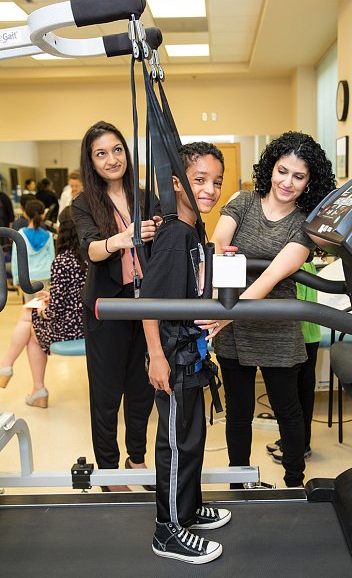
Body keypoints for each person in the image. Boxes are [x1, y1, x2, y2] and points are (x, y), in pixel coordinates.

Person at [196, 131, 336, 489]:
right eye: (282, 170)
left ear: (309, 182)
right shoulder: (242, 203)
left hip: (274, 324)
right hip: (234, 327)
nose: (287, 182)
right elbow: (219, 244)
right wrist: (218, 300)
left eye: (298, 176)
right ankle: (239, 481)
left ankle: (293, 482)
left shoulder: (304, 223)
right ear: (270, 168)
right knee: (238, 412)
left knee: (287, 410)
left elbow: (274, 274)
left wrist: (229, 313)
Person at [141, 142, 230, 564]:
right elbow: (150, 303)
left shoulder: (194, 231)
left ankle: (189, 509)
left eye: (216, 182)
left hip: (191, 355)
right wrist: (156, 357)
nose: (210, 190)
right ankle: (168, 529)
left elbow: (191, 286)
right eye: (199, 180)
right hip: (172, 360)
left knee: (192, 441)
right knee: (176, 445)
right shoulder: (176, 233)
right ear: (177, 182)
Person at [72, 120, 161, 493]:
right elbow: (91, 249)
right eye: (101, 154)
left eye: (117, 149)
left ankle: (136, 457)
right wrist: (122, 239)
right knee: (106, 394)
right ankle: (109, 470)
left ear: (127, 151)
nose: (112, 159)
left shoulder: (145, 196)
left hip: (146, 303)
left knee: (141, 388)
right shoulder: (83, 203)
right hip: (107, 306)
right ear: (91, 162)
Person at [0, 207, 87, 406]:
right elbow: (78, 296)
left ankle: (24, 378)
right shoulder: (94, 257)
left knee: (31, 327)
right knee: (28, 317)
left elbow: (54, 312)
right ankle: (17, 375)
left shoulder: (63, 261)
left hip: (70, 330)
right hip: (89, 323)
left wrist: (44, 310)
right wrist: (53, 296)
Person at [267, 260, 321, 462]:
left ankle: (301, 446)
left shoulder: (299, 268)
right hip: (304, 335)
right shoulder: (302, 266)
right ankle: (292, 440)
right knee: (297, 394)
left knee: (299, 394)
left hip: (302, 336)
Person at [11, 198, 55, 302]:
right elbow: (52, 258)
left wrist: (16, 279)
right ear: (43, 214)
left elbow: (15, 259)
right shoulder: (48, 236)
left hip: (26, 277)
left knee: (29, 309)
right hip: (44, 276)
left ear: (25, 214)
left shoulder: (19, 234)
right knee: (43, 309)